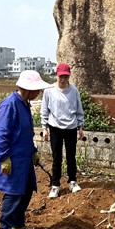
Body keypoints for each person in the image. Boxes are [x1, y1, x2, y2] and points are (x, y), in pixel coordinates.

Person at [0, 70, 51, 229]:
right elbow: (1, 134)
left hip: (24, 158)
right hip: (12, 159)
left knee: (26, 190)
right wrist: (4, 158)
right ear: (27, 89)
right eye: (36, 89)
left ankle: (18, 222)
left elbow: (26, 133)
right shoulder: (10, 105)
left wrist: (33, 151)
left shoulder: (25, 104)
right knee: (14, 193)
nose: (39, 93)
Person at [40, 63, 85, 199]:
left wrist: (80, 127)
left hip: (71, 127)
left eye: (66, 76)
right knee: (56, 157)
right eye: (61, 76)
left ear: (69, 76)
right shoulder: (49, 91)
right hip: (55, 128)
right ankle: (55, 185)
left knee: (71, 156)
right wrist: (45, 128)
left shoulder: (74, 91)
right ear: (57, 75)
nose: (63, 79)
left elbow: (79, 110)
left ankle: (72, 181)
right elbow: (44, 110)